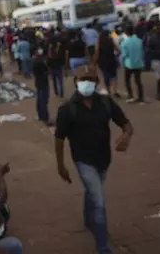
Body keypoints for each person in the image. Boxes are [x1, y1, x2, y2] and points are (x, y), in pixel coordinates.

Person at [55, 65, 134, 254]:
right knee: (98, 201)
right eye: (83, 79)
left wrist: (126, 135)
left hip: (104, 158)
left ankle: (88, 219)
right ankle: (102, 246)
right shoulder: (67, 109)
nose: (86, 83)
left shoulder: (105, 103)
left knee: (93, 190)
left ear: (97, 83)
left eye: (91, 79)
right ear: (75, 82)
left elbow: (126, 124)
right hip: (83, 160)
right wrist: (60, 165)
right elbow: (59, 138)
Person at [94, 30, 120, 98]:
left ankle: (108, 91)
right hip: (111, 60)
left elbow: (97, 53)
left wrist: (94, 62)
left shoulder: (99, 43)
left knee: (106, 76)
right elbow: (118, 50)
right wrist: (116, 55)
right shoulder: (111, 41)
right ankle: (114, 91)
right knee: (114, 76)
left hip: (102, 62)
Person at [32, 48, 50, 124]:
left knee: (39, 100)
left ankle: (40, 116)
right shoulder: (41, 63)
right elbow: (46, 72)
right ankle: (45, 118)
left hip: (38, 82)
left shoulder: (35, 62)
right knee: (43, 101)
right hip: (43, 83)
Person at [48, 30, 66, 98]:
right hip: (59, 66)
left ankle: (56, 92)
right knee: (60, 80)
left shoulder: (51, 52)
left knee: (54, 81)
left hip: (53, 67)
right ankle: (61, 92)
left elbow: (49, 57)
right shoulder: (60, 50)